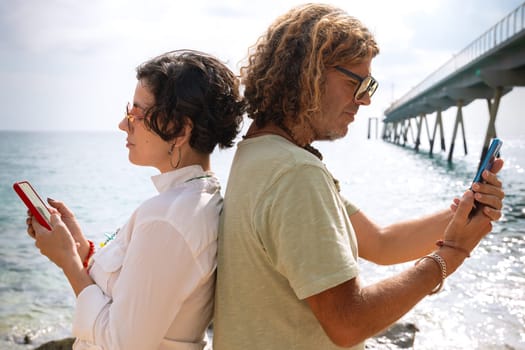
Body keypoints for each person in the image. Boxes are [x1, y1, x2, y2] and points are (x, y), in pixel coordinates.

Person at [213, 4, 505, 350]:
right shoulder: (295, 174)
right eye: (358, 82)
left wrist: (464, 214)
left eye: (370, 85)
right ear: (309, 72)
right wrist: (453, 253)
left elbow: (382, 242)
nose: (365, 100)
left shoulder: (260, 153)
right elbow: (349, 323)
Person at [26, 49, 245, 350]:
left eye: (136, 115)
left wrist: (68, 262)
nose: (123, 124)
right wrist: (81, 251)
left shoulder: (168, 218)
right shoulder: (193, 202)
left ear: (179, 129)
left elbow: (122, 343)